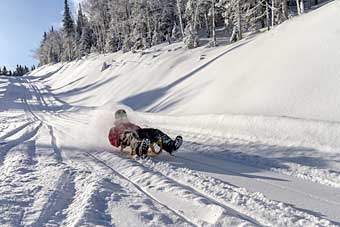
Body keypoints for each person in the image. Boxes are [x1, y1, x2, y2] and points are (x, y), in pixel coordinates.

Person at [108, 109, 183, 158]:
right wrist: (117, 141)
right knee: (131, 135)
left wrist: (148, 134)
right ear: (117, 118)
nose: (123, 119)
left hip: (137, 134)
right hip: (125, 138)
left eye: (124, 116)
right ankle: (140, 150)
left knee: (153, 131)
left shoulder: (132, 125)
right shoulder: (114, 129)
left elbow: (139, 130)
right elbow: (113, 140)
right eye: (120, 117)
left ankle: (170, 146)